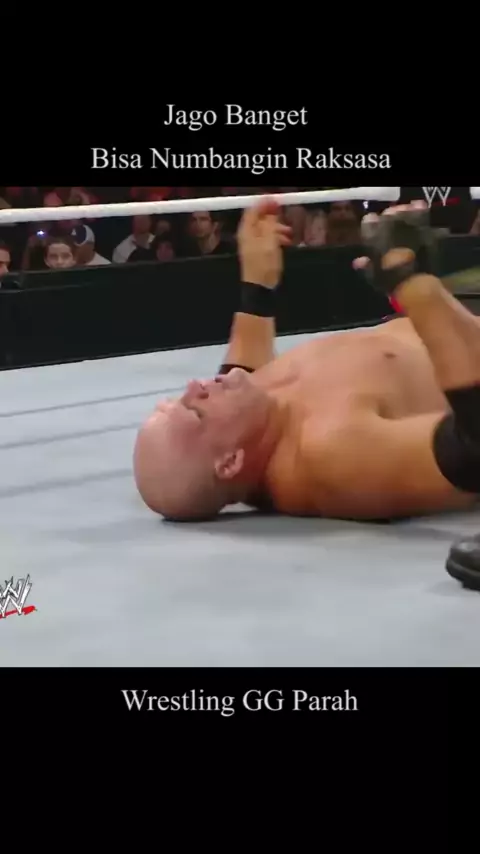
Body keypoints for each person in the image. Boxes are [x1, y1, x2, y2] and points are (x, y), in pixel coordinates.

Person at [134, 199, 480, 586]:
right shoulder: (333, 457)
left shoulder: (250, 411)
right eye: (194, 411)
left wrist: (257, 278)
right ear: (230, 462)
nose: (194, 387)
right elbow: (472, 452)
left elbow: (242, 366)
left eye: (178, 398)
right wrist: (416, 287)